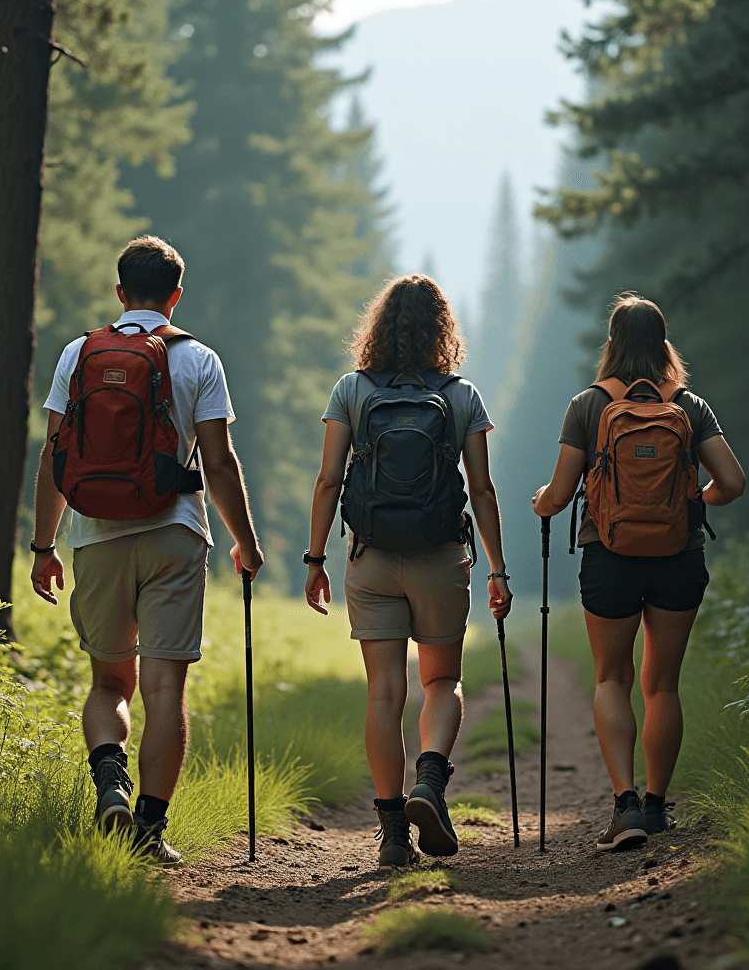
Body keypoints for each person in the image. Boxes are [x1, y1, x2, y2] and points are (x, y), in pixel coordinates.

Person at [30, 235, 264, 864]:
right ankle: (149, 829)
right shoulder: (199, 360)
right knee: (165, 691)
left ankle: (110, 781)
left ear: (119, 291)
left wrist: (43, 544)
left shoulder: (79, 352)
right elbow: (218, 461)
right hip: (174, 534)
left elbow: (53, 458)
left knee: (109, 682)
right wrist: (245, 540)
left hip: (95, 537)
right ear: (176, 295)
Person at [304, 274, 513, 867]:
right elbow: (482, 487)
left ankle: (394, 833)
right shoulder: (461, 395)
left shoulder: (352, 389)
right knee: (441, 681)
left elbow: (328, 481)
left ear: (378, 326)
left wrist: (316, 558)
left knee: (384, 694)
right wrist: (497, 568)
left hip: (370, 558)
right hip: (441, 557)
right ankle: (430, 783)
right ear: (442, 329)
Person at [532, 294, 744, 852]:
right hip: (678, 557)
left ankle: (624, 803)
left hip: (610, 556)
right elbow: (734, 483)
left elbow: (557, 496)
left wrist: (542, 502)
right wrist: (690, 500)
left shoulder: (588, 405)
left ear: (612, 345)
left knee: (612, 679)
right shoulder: (691, 407)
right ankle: (656, 808)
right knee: (662, 684)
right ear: (664, 345)